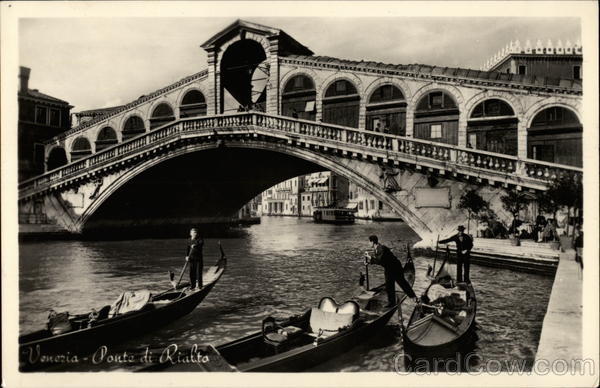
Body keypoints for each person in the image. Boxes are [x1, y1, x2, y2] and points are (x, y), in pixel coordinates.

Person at [366, 235, 418, 308]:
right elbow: (381, 261)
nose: (368, 243)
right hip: (388, 268)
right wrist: (369, 262)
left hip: (395, 267)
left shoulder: (381, 248)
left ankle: (413, 297)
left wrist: (370, 257)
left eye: (369, 242)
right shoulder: (377, 248)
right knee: (389, 285)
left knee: (402, 282)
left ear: (373, 242)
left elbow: (379, 260)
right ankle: (392, 303)